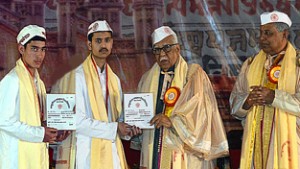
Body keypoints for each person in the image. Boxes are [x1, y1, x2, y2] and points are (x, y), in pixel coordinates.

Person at [138, 26, 229, 169]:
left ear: (177, 49)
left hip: (185, 154)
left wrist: (172, 122)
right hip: (154, 148)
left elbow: (201, 114)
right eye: (157, 50)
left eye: (167, 48)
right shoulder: (146, 79)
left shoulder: (193, 75)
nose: (162, 54)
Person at [230, 11, 300, 169]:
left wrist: (274, 97)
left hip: (290, 146)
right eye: (261, 33)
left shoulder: (297, 63)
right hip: (254, 146)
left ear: (284, 34)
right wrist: (247, 102)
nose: (262, 38)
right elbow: (235, 104)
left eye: (268, 33)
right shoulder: (251, 64)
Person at [75, 20, 141, 169]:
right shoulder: (78, 77)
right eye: (98, 41)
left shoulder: (114, 79)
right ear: (89, 45)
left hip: (112, 152)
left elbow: (117, 119)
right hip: (88, 153)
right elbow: (77, 122)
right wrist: (115, 128)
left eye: (107, 40)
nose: (103, 45)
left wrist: (129, 129)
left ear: (112, 44)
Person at [0, 25, 67, 169]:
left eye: (43, 49)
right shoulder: (12, 80)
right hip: (16, 160)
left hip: (36, 156)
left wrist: (54, 132)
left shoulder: (39, 83)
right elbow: (4, 121)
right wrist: (41, 134)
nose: (40, 55)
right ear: (21, 49)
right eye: (34, 49)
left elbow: (39, 121)